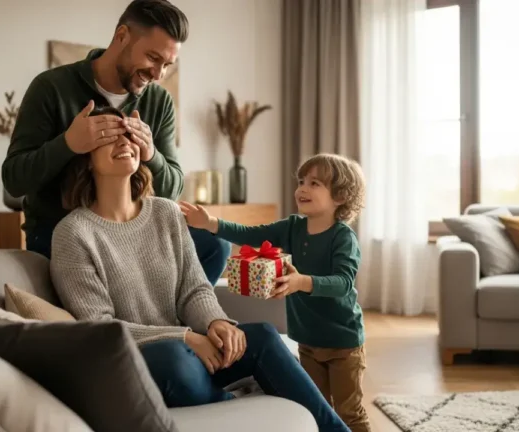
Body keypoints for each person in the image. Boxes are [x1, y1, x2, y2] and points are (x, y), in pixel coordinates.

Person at [48, 117, 351, 432]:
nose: (125, 142)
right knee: (174, 361)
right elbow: (99, 329)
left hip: (189, 352)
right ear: (85, 158)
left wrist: (216, 323)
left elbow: (194, 288)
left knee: (261, 335)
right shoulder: (73, 233)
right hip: (137, 363)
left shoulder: (166, 213)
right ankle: (232, 409)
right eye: (110, 137)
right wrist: (185, 337)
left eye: (129, 135)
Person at [0, 0, 229, 285]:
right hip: (58, 231)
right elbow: (13, 180)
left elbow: (172, 190)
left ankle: (165, 324)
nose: (158, 75)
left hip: (132, 231)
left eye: (168, 65)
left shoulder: (159, 102)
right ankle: (147, 325)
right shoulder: (51, 88)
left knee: (216, 246)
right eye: (153, 58)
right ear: (122, 36)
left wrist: (152, 154)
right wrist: (68, 143)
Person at [180, 153, 371, 432]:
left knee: (349, 412)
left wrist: (301, 282)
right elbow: (250, 234)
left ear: (340, 196)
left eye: (314, 183)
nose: (302, 188)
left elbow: (342, 282)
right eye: (302, 181)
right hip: (307, 340)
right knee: (313, 407)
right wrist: (211, 223)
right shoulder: (293, 227)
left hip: (343, 344)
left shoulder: (343, 237)